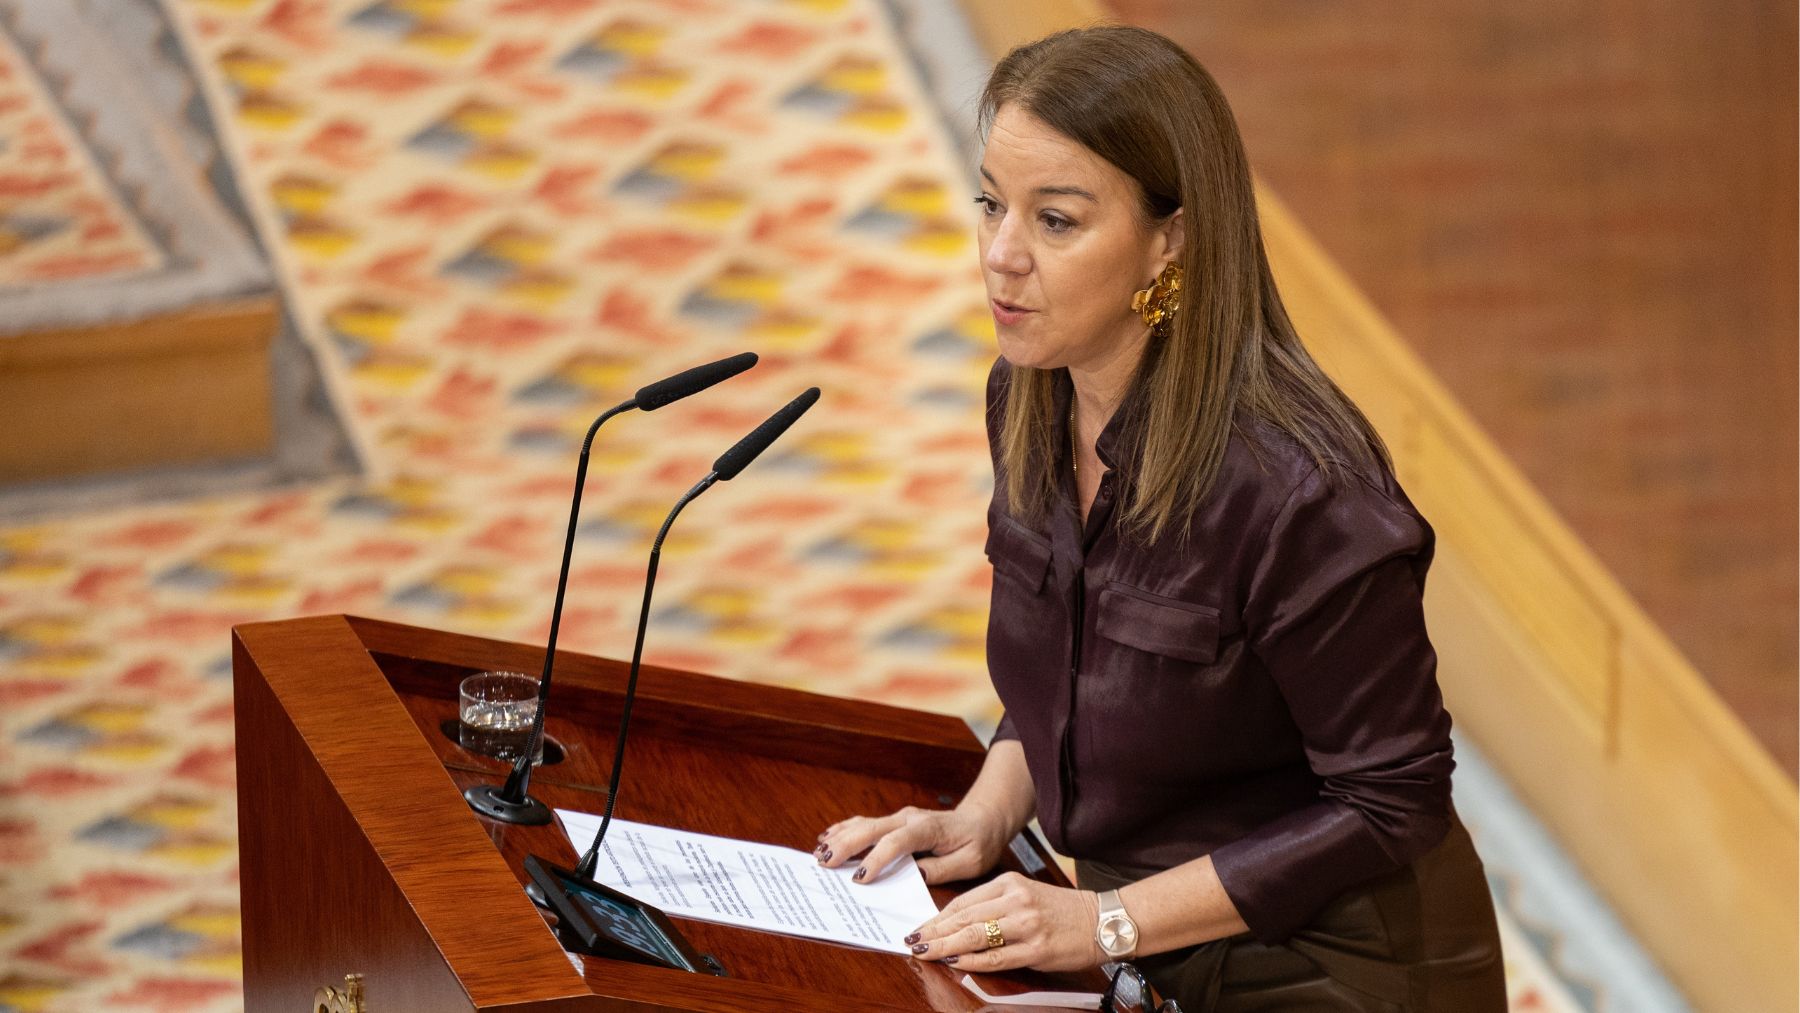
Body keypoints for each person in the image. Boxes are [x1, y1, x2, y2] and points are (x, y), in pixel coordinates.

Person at [814, 24, 1507, 1011]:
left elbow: (1393, 799)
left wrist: (1104, 922)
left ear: (1169, 239)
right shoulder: (1029, 397)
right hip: (1144, 942)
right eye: (990, 204)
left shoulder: (1301, 489)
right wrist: (985, 814)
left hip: (1337, 967)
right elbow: (1074, 660)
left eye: (1055, 221)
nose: (1001, 255)